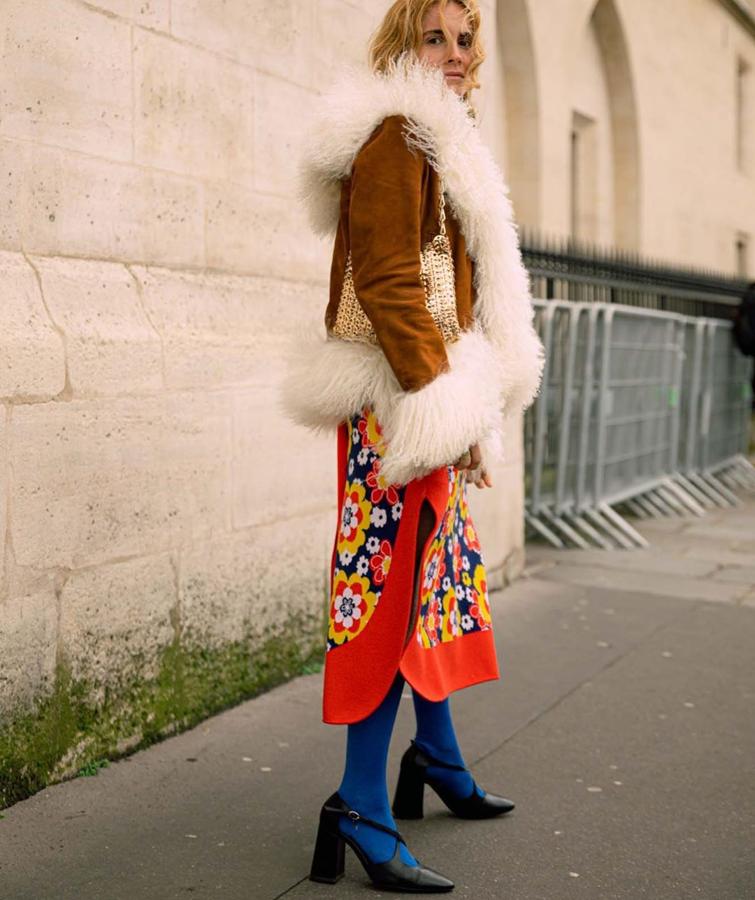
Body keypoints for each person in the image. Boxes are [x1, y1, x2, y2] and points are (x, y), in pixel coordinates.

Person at [281, 0, 544, 891]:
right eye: (435, 37)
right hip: (400, 402)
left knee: (435, 576)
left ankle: (433, 755)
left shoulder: (442, 138)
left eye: (467, 39)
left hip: (424, 389)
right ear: (401, 46)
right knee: (389, 592)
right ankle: (358, 799)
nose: (457, 53)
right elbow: (388, 276)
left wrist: (458, 406)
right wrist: (441, 406)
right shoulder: (397, 132)